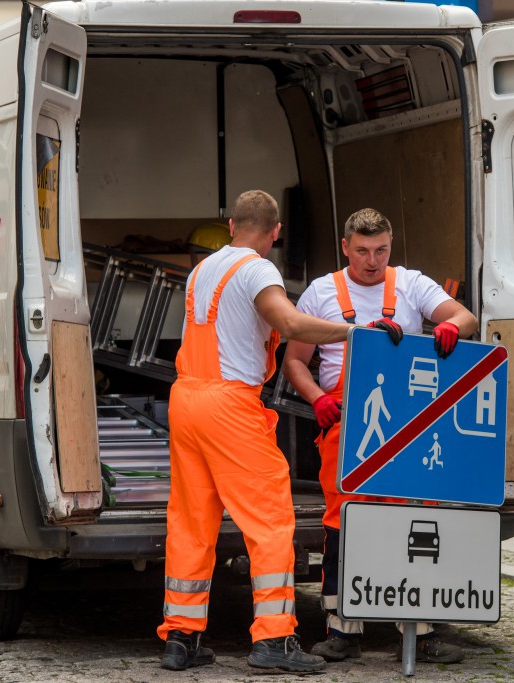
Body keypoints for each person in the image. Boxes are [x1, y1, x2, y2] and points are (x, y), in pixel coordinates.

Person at [157, 191, 390, 673]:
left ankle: (181, 637)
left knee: (191, 521)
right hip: (229, 404)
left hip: (186, 399)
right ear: (276, 231)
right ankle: (275, 639)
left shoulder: (203, 270)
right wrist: (353, 332)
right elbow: (286, 321)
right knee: (269, 520)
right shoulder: (258, 270)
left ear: (231, 225)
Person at [282, 207, 478, 664]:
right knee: (343, 523)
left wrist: (451, 325)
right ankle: (342, 631)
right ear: (345, 247)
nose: (372, 261)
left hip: (411, 425)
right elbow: (294, 361)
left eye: (381, 250)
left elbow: (465, 317)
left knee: (415, 521)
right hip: (344, 422)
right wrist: (317, 398)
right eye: (363, 251)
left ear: (391, 247)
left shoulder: (411, 283)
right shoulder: (320, 292)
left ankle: (421, 633)